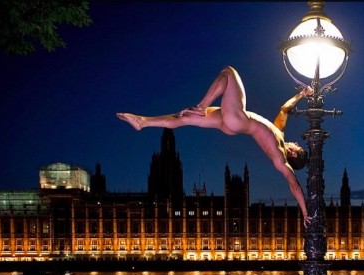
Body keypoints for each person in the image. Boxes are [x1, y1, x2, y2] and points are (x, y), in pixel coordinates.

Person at [117, 66, 313, 226]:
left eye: (298, 147)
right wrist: (302, 94)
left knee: (228, 72)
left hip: (237, 119)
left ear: (294, 155)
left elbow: (293, 183)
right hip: (231, 123)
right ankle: (143, 121)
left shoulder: (279, 156)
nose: (296, 143)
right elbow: (285, 108)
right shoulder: (278, 132)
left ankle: (201, 106)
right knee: (184, 117)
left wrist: (304, 211)